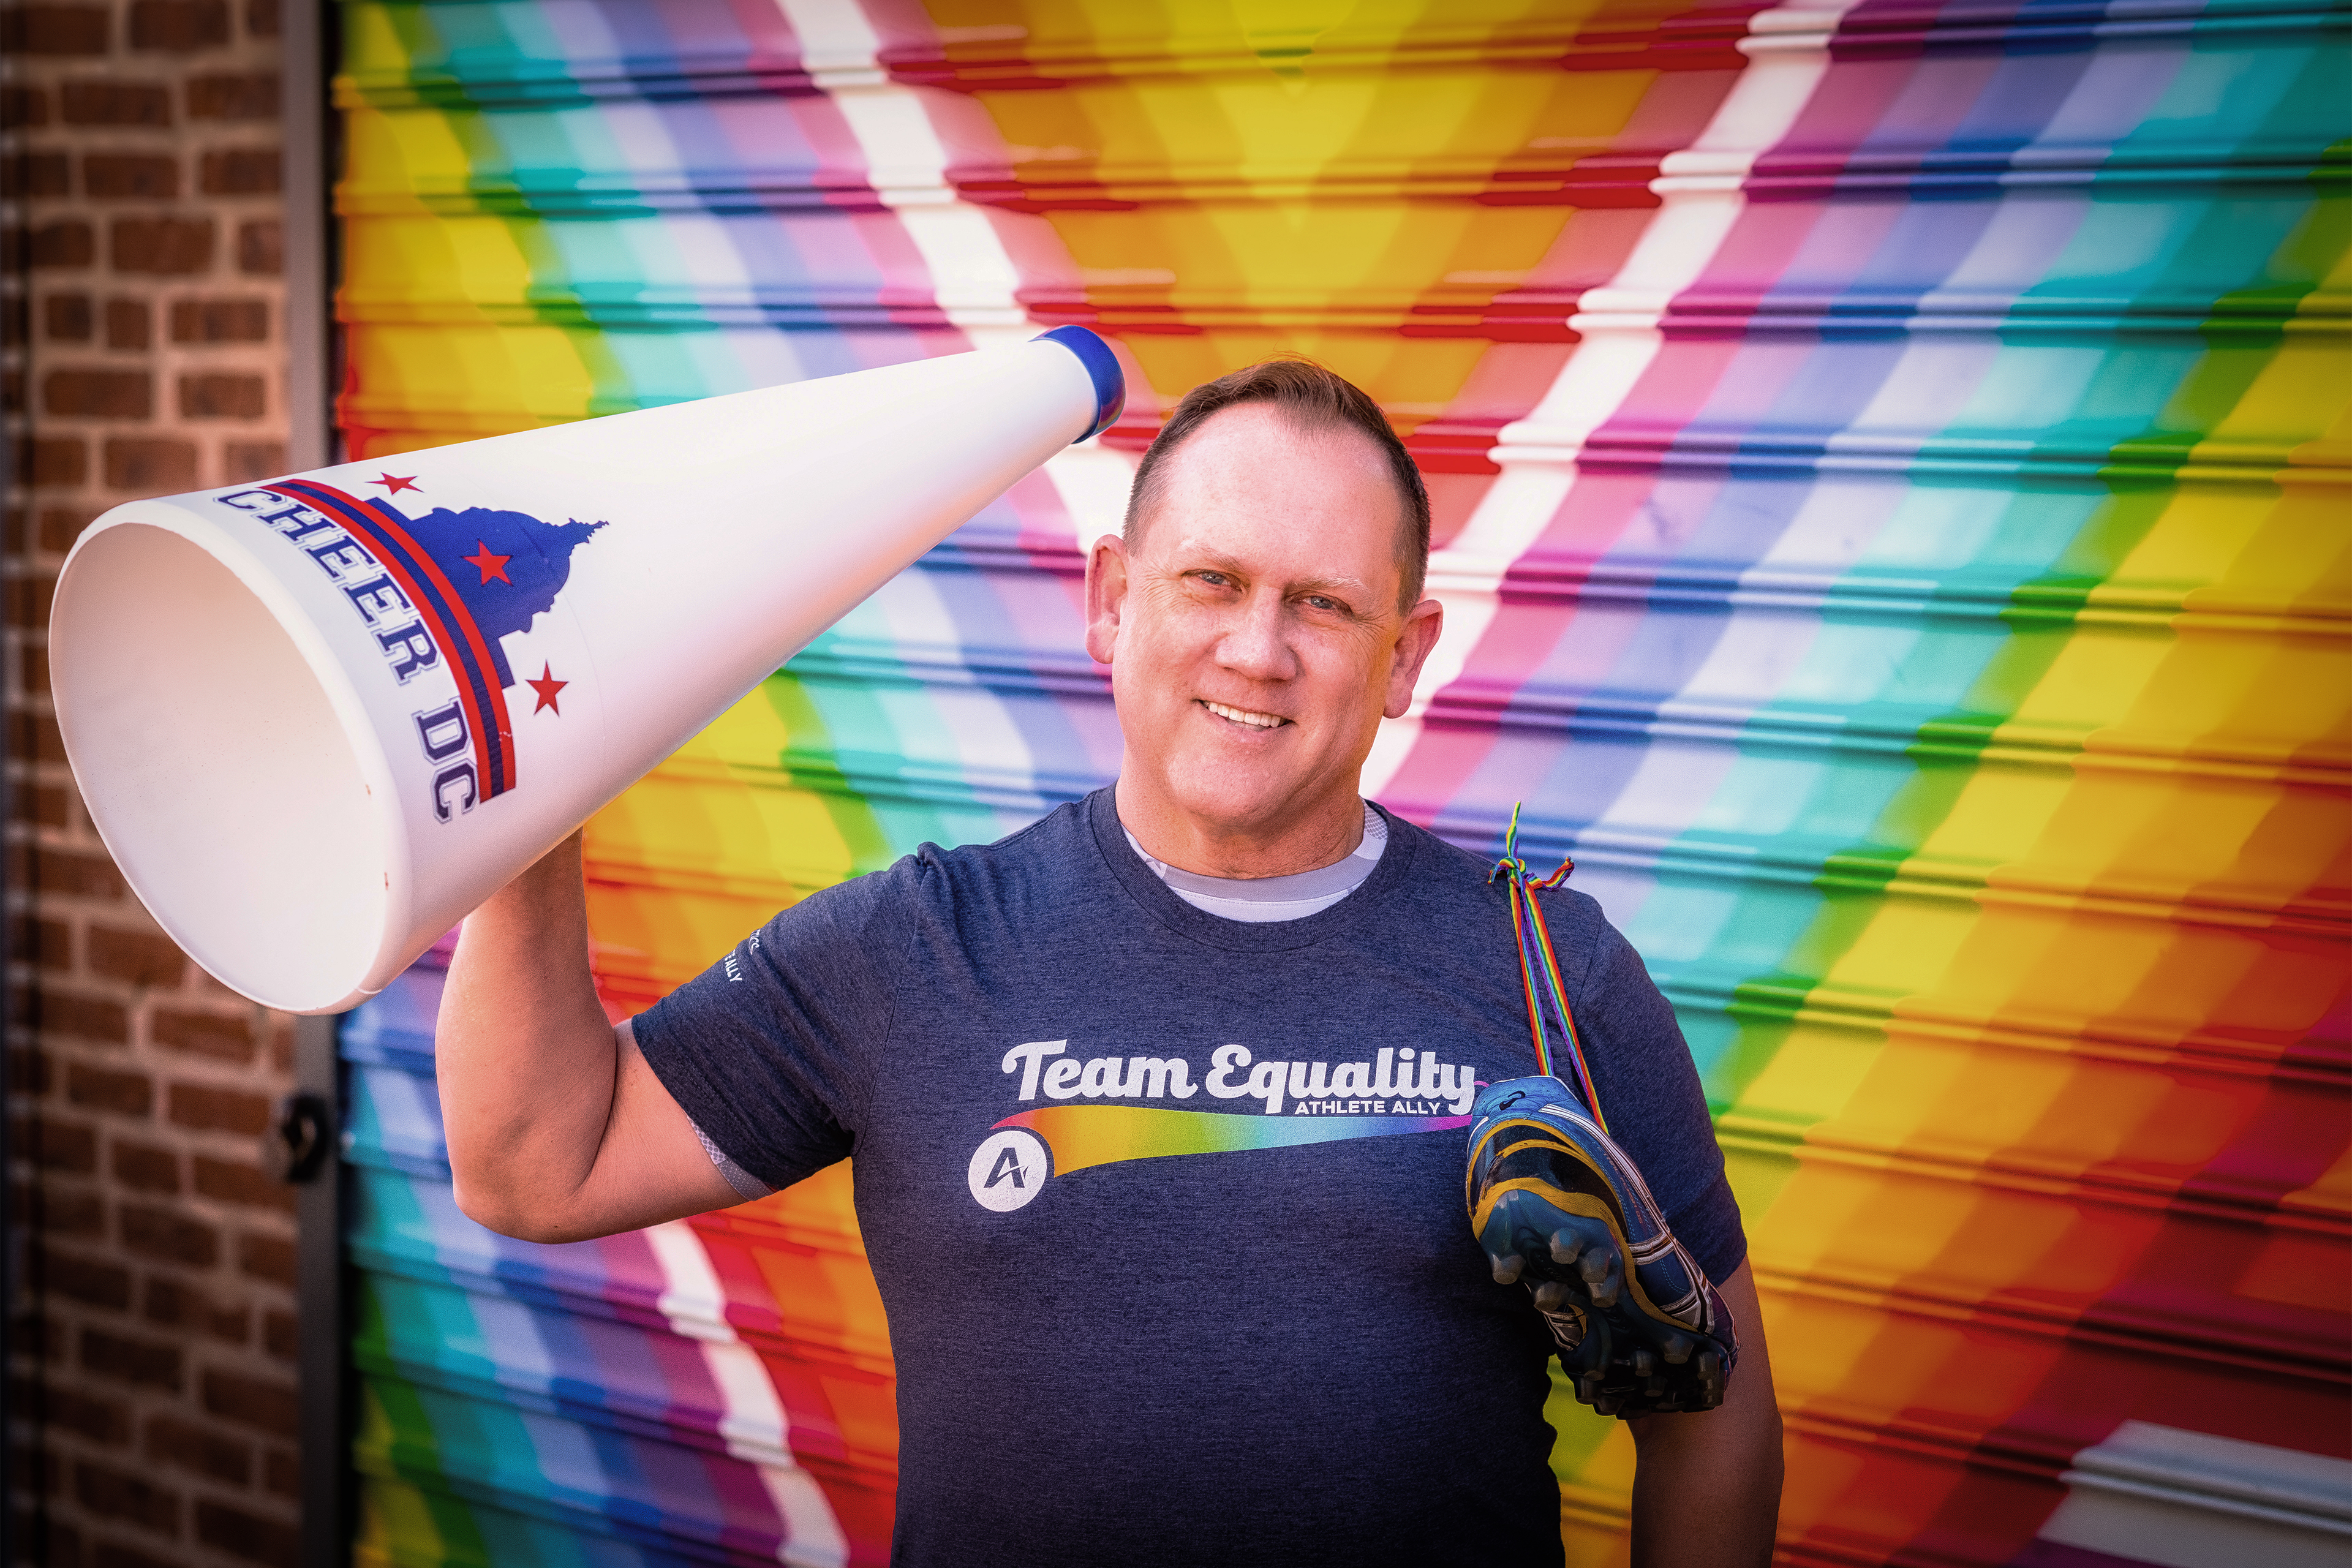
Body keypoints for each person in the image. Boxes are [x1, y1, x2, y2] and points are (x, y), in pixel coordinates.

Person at [438, 359, 1785, 1566]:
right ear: (1112, 601)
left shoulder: (1553, 973)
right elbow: (538, 1160)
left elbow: (1715, 1424)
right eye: (1213, 581)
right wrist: (528, 786)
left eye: (1323, 604)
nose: (1257, 649)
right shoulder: (915, 944)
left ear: (1404, 658)